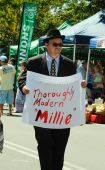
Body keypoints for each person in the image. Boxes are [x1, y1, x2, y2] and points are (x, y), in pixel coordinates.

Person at [18, 29, 86, 170]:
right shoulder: (34, 62)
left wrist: (81, 85)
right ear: (46, 45)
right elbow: (22, 79)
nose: (58, 47)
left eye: (60, 45)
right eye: (55, 44)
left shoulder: (69, 64)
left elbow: (73, 84)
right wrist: (24, 87)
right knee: (44, 146)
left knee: (59, 148)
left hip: (62, 116)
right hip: (41, 114)